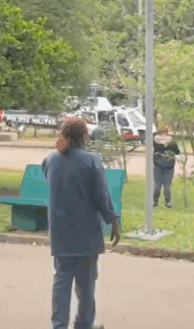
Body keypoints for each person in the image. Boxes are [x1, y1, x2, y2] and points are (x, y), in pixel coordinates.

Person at [42, 118, 120, 329]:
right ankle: (83, 323)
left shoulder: (51, 160)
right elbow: (102, 197)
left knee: (62, 279)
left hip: (61, 232)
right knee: (86, 283)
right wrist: (113, 221)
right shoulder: (91, 161)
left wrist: (58, 150)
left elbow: (47, 172)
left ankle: (59, 325)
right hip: (86, 232)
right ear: (85, 136)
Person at [152, 126, 180, 208]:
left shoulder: (155, 140)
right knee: (167, 184)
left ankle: (155, 201)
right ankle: (168, 202)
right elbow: (177, 152)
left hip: (157, 164)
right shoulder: (172, 141)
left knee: (157, 184)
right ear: (167, 132)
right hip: (169, 165)